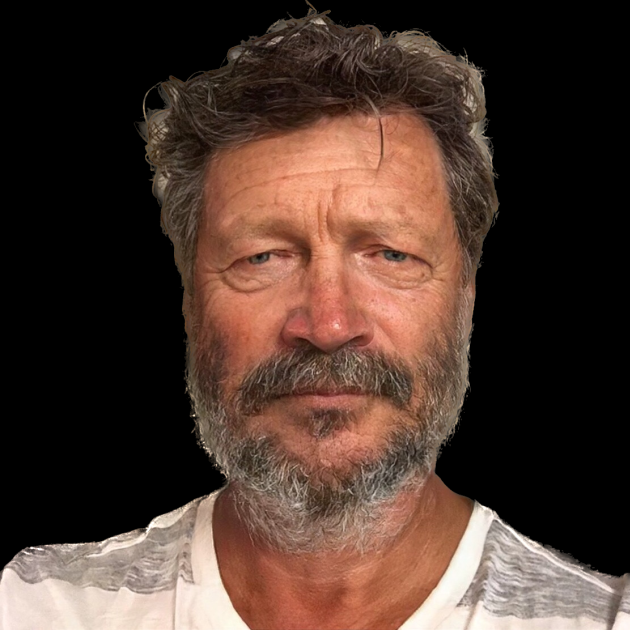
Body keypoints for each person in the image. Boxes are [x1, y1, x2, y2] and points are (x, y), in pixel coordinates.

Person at [1, 6, 628, 630]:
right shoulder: (35, 608)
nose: (328, 326)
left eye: (390, 254)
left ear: (465, 294)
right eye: (263, 256)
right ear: (190, 299)